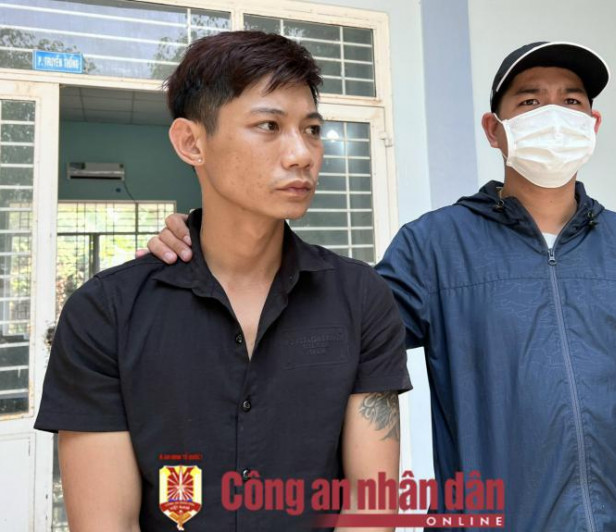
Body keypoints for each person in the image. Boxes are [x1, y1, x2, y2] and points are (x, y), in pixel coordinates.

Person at [146, 41, 616, 531]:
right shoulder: (435, 247)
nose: (554, 115)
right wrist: (212, 244)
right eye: (529, 101)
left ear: (592, 124)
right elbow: (327, 332)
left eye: (572, 101)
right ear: (494, 130)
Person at [35, 31, 411, 532]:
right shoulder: (106, 312)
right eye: (269, 125)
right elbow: (106, 522)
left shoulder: (361, 298)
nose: (302, 154)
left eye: (313, 129)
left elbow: (371, 502)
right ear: (192, 143)